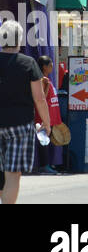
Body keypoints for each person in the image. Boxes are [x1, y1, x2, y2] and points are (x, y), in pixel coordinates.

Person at [0, 20, 49, 204]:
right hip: (20, 125)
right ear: (20, 40)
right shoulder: (28, 63)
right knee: (12, 173)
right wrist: (47, 122)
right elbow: (39, 98)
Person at [34, 56, 61, 174]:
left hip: (50, 115)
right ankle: (44, 165)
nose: (52, 67)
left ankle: (48, 164)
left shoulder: (47, 79)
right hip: (43, 116)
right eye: (50, 65)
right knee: (43, 141)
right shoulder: (42, 80)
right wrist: (48, 86)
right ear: (44, 67)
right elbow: (41, 98)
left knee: (48, 140)